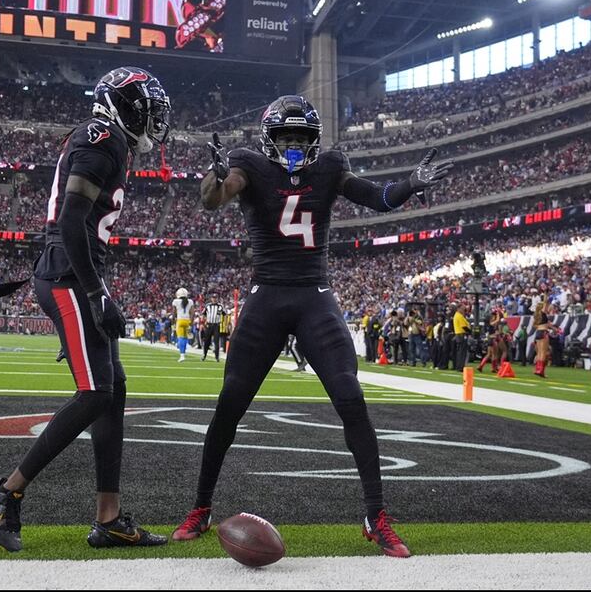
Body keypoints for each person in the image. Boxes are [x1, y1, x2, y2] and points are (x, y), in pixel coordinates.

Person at [171, 94, 452, 558]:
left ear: (315, 141)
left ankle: (375, 515)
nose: (296, 146)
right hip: (266, 297)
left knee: (350, 396)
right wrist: (215, 178)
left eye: (303, 138)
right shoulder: (246, 166)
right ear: (270, 139)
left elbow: (377, 198)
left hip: (313, 297)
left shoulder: (330, 168)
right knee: (230, 404)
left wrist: (410, 185)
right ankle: (200, 507)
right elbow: (214, 200)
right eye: (288, 137)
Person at [0, 67, 172, 553]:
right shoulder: (101, 136)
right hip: (67, 276)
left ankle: (108, 518)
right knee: (93, 393)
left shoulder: (110, 141)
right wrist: (95, 293)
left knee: (114, 391)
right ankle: (9, 490)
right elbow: (70, 221)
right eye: (147, 104)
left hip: (74, 273)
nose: (154, 115)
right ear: (124, 105)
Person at [172, 288, 194, 361]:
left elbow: (174, 313)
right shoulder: (190, 301)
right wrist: (191, 323)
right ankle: (183, 353)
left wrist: (173, 323)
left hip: (180, 320)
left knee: (181, 338)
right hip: (187, 320)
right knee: (185, 338)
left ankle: (182, 355)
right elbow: (192, 313)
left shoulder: (176, 301)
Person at [201, 296, 225, 362]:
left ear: (217, 299)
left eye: (215, 298)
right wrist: (203, 323)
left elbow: (225, 314)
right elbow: (203, 314)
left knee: (216, 341)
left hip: (216, 325)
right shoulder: (208, 306)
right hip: (209, 325)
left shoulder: (220, 306)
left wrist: (222, 322)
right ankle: (204, 355)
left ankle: (217, 357)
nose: (214, 299)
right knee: (206, 341)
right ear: (211, 299)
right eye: (213, 298)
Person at [532, 302, 551, 378]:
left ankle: (538, 369)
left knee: (539, 352)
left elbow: (534, 325)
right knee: (543, 352)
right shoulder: (543, 313)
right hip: (543, 332)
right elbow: (546, 302)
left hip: (538, 332)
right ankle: (540, 371)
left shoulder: (536, 315)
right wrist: (546, 293)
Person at [452, 302, 470, 372]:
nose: (464, 310)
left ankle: (459, 366)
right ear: (459, 308)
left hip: (459, 335)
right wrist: (470, 331)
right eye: (462, 308)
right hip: (461, 334)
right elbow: (464, 326)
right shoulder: (459, 316)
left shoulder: (457, 315)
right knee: (462, 352)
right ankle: (460, 367)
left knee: (460, 351)